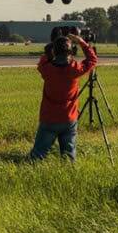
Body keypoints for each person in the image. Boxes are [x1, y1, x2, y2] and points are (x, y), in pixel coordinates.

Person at [29, 33, 97, 162]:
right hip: (68, 118)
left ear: (55, 50)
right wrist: (81, 41)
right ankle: (69, 175)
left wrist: (50, 49)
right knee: (68, 155)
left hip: (49, 118)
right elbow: (92, 60)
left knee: (38, 154)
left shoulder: (46, 69)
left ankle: (33, 173)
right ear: (70, 51)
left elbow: (43, 61)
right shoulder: (75, 69)